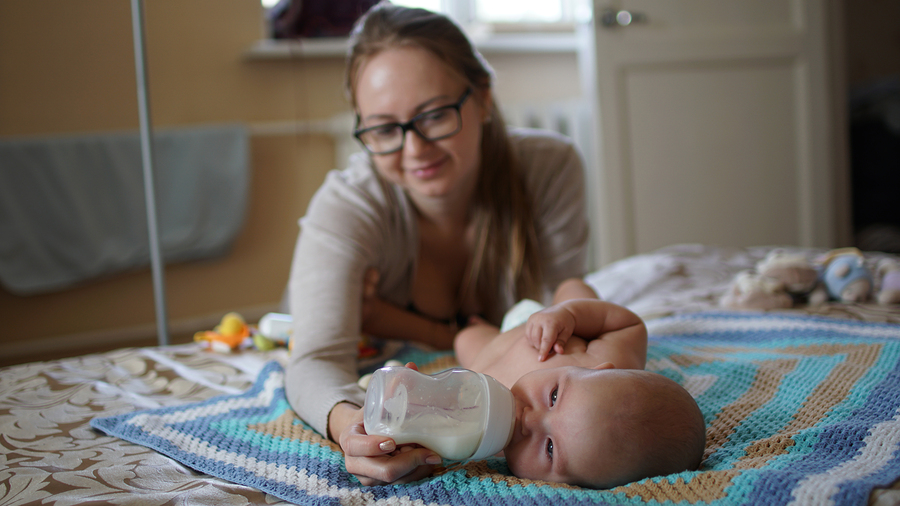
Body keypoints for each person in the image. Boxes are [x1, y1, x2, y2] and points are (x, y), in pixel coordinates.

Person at [284, 2, 589, 486]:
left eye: (433, 115)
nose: (414, 149)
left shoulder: (549, 167)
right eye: (384, 129)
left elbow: (568, 296)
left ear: (483, 98)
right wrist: (350, 427)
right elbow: (315, 358)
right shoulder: (348, 205)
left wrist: (403, 323)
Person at [453, 278, 706, 488]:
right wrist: (569, 314)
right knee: (573, 287)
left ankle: (481, 325)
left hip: (490, 349)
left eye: (550, 449)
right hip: (549, 325)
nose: (528, 420)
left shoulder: (485, 441)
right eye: (554, 396)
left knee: (464, 338)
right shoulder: (608, 357)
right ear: (601, 371)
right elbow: (629, 325)